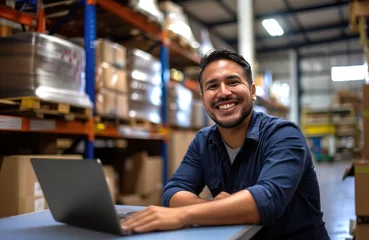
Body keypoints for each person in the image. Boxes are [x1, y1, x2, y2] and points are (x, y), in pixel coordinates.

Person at [120, 49, 330, 239]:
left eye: (233, 82)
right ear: (203, 100)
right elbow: (173, 191)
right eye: (213, 86)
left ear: (253, 91)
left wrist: (183, 214)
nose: (223, 93)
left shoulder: (284, 135)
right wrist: (214, 207)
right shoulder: (204, 141)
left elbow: (267, 200)